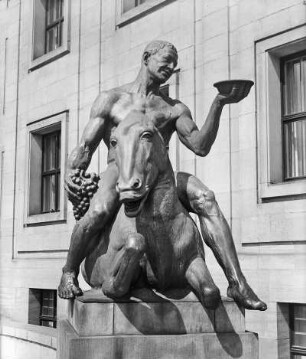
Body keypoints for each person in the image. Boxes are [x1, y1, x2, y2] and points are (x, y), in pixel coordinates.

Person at [58, 40, 266, 311]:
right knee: (98, 211)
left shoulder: (173, 108)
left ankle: (237, 282)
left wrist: (219, 104)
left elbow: (200, 145)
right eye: (166, 60)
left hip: (160, 173)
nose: (170, 67)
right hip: (119, 169)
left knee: (206, 197)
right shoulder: (111, 99)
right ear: (146, 58)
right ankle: (69, 271)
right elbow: (86, 147)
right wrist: (73, 172)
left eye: (174, 64)